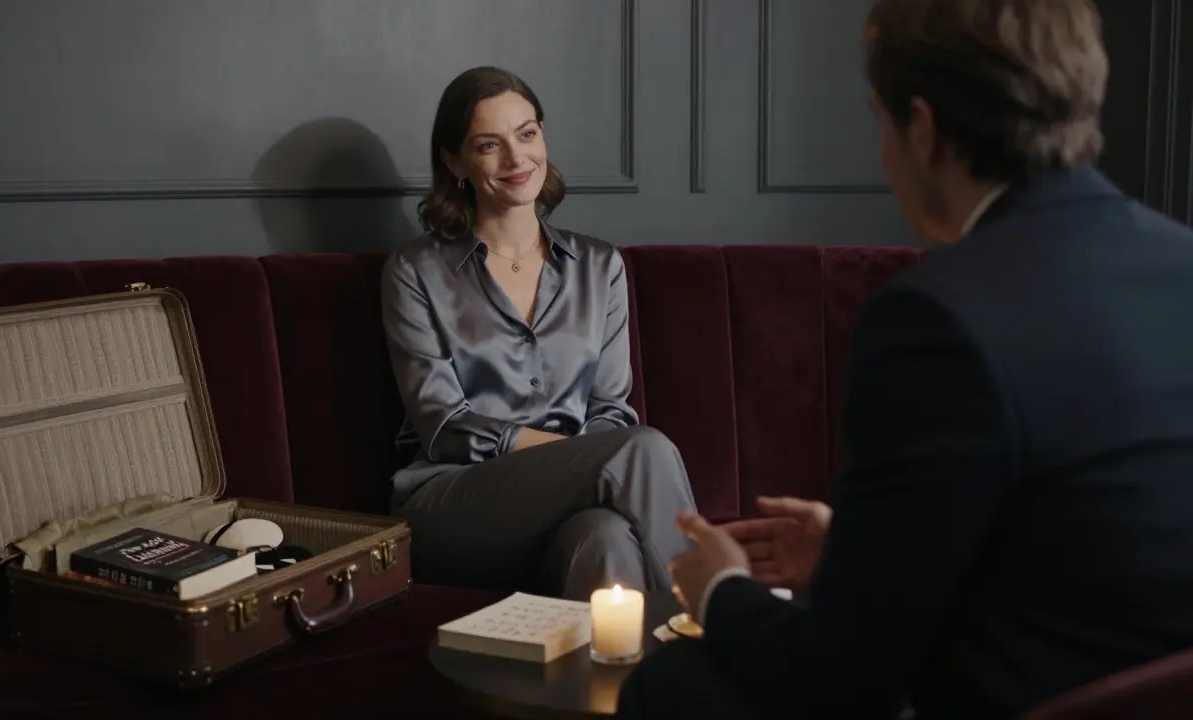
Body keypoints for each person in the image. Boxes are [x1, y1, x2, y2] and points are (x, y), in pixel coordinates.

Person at [617, 0, 1193, 718]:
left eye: (879, 122)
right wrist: (857, 556)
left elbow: (839, 683)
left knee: (671, 685)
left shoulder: (935, 316)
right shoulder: (1181, 261)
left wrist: (721, 591)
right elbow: (1085, 549)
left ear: (921, 129)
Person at [380, 66, 697, 602]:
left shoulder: (599, 266)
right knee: (641, 450)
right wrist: (575, 460)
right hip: (453, 502)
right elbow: (442, 423)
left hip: (573, 498)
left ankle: (627, 684)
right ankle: (711, 630)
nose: (516, 159)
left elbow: (609, 410)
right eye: (488, 145)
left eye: (527, 134)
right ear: (454, 161)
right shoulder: (415, 271)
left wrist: (578, 466)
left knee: (607, 540)